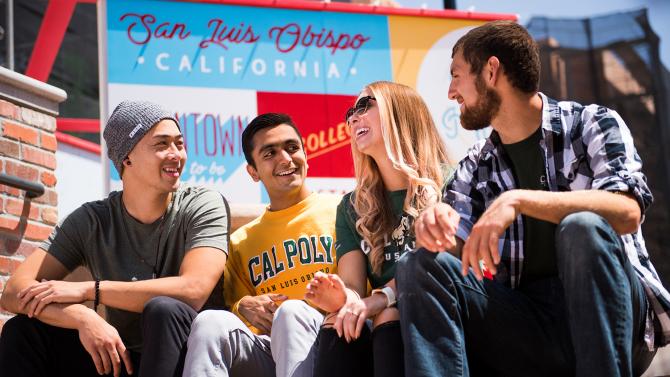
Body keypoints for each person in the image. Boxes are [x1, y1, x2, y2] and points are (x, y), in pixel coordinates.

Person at [395, 20, 669, 377]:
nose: (450, 92)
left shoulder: (592, 123)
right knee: (418, 263)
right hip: (530, 324)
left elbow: (627, 210)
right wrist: (433, 229)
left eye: (457, 75)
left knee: (582, 227)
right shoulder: (477, 164)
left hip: (614, 317)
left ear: (491, 71)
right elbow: (454, 247)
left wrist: (519, 200)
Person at [0, 101, 229, 377]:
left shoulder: (203, 204)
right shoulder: (91, 220)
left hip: (191, 357)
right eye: (162, 145)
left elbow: (194, 289)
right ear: (127, 158)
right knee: (24, 332)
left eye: (179, 144)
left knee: (163, 309)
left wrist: (90, 291)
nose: (176, 154)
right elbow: (14, 292)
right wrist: (83, 317)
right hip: (123, 358)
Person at [305, 81, 449, 377]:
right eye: (350, 112)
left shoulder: (449, 181)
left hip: (442, 312)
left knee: (387, 313)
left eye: (364, 106)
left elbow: (444, 266)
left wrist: (381, 298)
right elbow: (354, 289)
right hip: (384, 316)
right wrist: (342, 297)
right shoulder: (351, 206)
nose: (353, 118)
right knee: (338, 320)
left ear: (400, 112)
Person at [182, 113, 339, 377]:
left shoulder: (340, 211)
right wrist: (242, 305)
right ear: (253, 171)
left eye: (292, 148)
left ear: (306, 154)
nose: (286, 159)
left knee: (290, 313)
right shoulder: (241, 242)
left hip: (331, 340)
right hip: (269, 353)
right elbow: (236, 309)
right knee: (209, 321)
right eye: (270, 153)